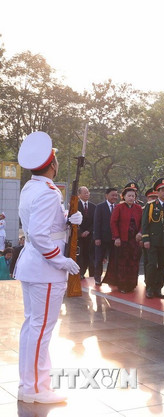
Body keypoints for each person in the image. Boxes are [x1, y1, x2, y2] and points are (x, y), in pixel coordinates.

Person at [14, 131, 82, 404]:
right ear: (52, 164)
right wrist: (61, 260)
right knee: (41, 330)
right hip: (45, 269)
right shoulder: (47, 193)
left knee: (33, 327)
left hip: (33, 266)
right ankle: (34, 389)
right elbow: (41, 236)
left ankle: (32, 383)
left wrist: (66, 219)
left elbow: (40, 226)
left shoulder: (32, 188)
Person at [141, 178, 164, 299]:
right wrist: (145, 239)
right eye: (163, 190)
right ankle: (149, 288)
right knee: (151, 265)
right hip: (153, 242)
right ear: (157, 192)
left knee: (161, 266)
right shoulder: (150, 206)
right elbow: (145, 224)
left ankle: (158, 288)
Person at [110, 183, 143, 293]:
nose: (131, 198)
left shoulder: (138, 208)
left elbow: (143, 223)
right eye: (129, 196)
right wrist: (116, 237)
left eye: (133, 196)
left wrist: (140, 233)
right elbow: (113, 222)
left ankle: (132, 284)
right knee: (123, 262)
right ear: (123, 196)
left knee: (133, 262)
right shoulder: (119, 207)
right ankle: (122, 285)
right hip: (123, 240)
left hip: (135, 241)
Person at [93, 187, 119, 286]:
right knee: (99, 259)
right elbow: (96, 223)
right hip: (102, 238)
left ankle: (112, 279)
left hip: (114, 239)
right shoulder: (100, 207)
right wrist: (97, 238)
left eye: (116, 195)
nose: (114, 197)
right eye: (112, 195)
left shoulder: (118, 207)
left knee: (114, 259)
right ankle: (97, 278)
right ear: (106, 195)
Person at [76, 186, 96, 279]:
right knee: (80, 256)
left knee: (90, 255)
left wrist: (88, 231)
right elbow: (73, 220)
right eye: (85, 193)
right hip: (79, 236)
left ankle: (92, 275)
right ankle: (80, 273)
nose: (87, 194)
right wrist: (81, 232)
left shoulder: (93, 206)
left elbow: (95, 221)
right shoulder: (75, 205)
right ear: (79, 195)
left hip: (90, 235)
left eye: (88, 192)